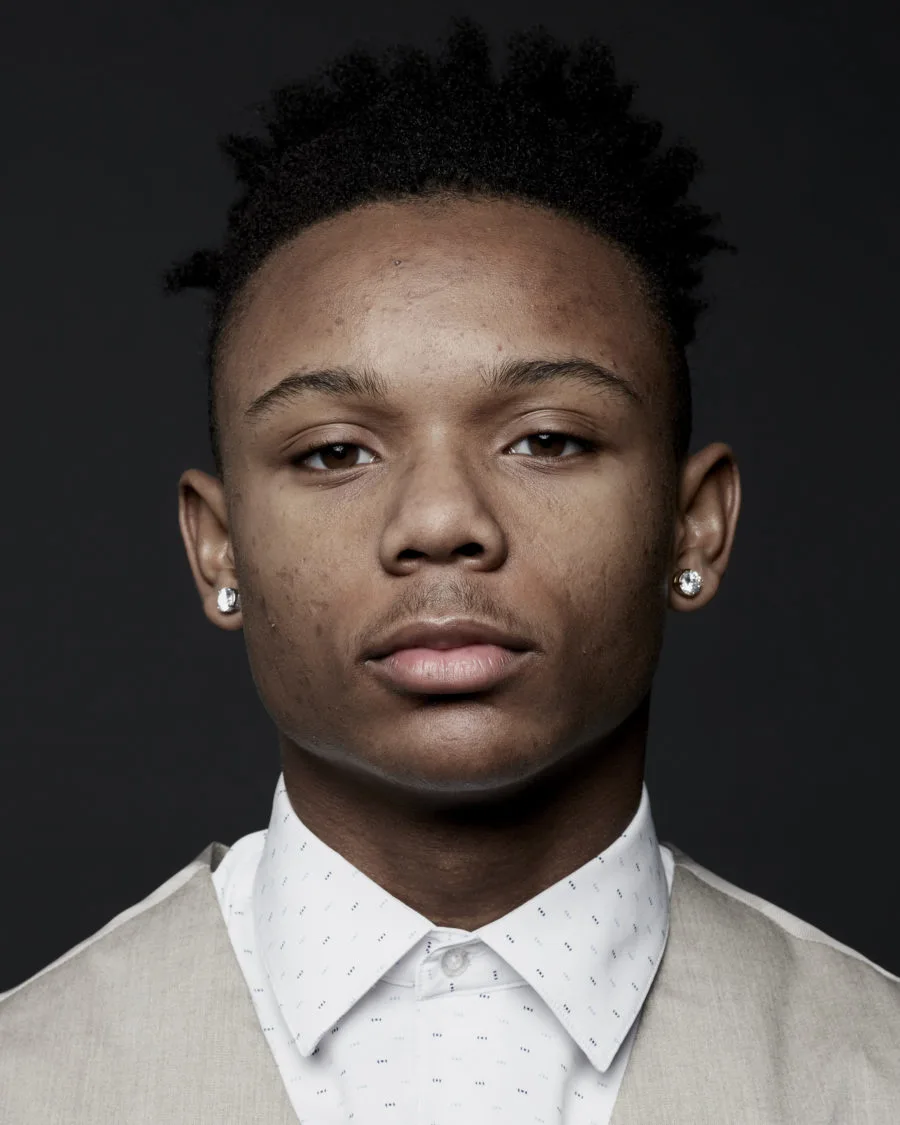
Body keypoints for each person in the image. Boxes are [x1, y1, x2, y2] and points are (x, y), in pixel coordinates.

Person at [1, 18, 897, 1124]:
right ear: (216, 545)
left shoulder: (872, 1071)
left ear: (694, 528)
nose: (439, 522)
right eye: (334, 451)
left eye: (549, 439)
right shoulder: (28, 1078)